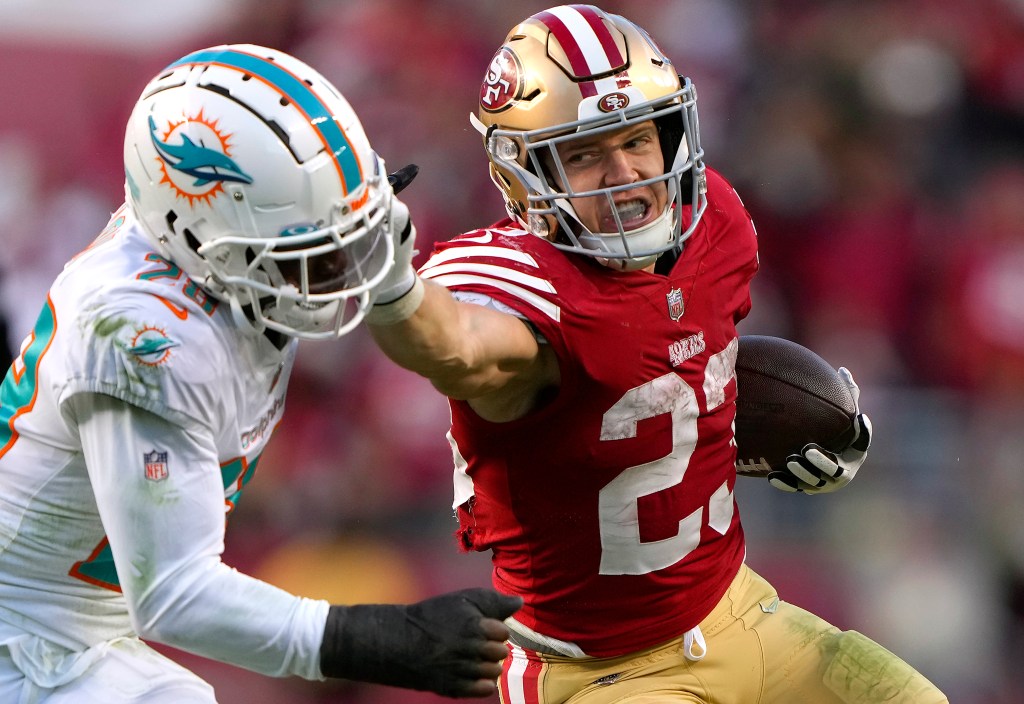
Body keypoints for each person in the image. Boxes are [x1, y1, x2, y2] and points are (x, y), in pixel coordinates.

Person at [365, 6, 948, 703]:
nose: (625, 174)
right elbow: (457, 348)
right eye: (583, 154)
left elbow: (671, 380)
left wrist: (795, 432)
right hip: (600, 673)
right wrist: (393, 286)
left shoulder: (718, 223)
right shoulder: (519, 288)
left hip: (740, 613)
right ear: (523, 176)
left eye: (638, 139)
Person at [0, 44, 521, 703]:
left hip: (75, 629)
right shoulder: (141, 334)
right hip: (22, 640)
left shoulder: (210, 247)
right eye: (313, 255)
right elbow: (175, 595)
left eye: (348, 238)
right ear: (198, 238)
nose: (342, 276)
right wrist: (389, 641)